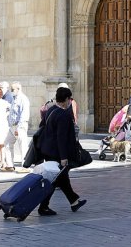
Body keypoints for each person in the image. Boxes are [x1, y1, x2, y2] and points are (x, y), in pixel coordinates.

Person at [37, 87, 87, 216]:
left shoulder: (51, 110)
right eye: (69, 99)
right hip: (57, 153)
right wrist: (64, 157)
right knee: (55, 180)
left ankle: (74, 201)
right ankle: (43, 207)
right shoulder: (63, 115)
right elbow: (61, 138)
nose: (70, 101)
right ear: (66, 99)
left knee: (61, 179)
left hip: (48, 150)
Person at [2, 82, 30, 172]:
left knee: (23, 146)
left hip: (19, 125)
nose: (11, 91)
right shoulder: (15, 98)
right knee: (7, 143)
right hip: (12, 126)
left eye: (13, 89)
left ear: (18, 89)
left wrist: (19, 127)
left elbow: (24, 114)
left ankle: (25, 166)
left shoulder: (23, 99)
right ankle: (10, 165)